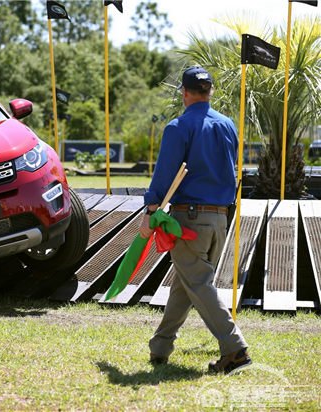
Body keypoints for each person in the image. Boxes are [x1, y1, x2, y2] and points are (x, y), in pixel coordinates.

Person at [140, 66, 251, 374]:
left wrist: (150, 209)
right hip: (220, 219)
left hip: (189, 219)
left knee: (197, 283)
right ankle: (160, 347)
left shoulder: (178, 126)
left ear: (184, 92)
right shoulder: (228, 125)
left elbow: (164, 174)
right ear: (210, 91)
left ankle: (235, 348)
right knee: (186, 283)